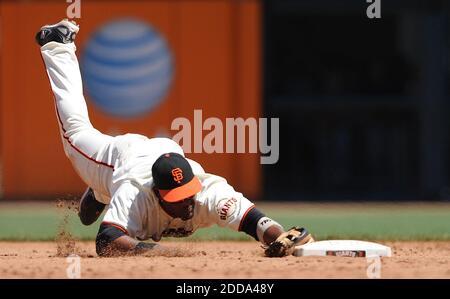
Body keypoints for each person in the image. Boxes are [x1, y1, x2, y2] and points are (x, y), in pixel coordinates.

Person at [36, 19, 314, 258]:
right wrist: (166, 254)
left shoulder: (206, 192)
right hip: (121, 159)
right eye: (178, 198)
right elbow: (106, 240)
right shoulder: (135, 192)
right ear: (157, 193)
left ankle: (100, 193)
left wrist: (278, 235)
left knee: (91, 212)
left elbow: (254, 221)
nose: (187, 203)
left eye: (187, 193)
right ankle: (57, 45)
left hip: (163, 153)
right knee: (75, 131)